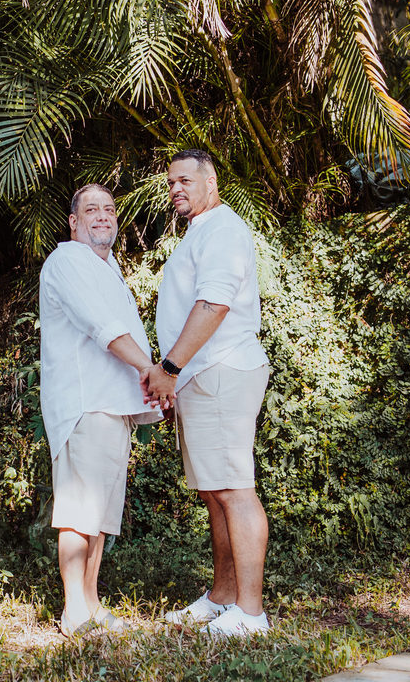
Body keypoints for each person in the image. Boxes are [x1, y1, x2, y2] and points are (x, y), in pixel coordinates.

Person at [141, 149, 272, 638]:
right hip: (202, 377)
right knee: (215, 492)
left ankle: (252, 614)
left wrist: (170, 368)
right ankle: (223, 598)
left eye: (185, 179)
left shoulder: (222, 230)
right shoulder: (201, 232)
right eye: (170, 182)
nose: (176, 188)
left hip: (221, 370)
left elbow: (214, 304)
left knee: (234, 490)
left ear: (211, 181)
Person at [39, 183, 161, 637]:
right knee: (79, 512)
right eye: (92, 210)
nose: (104, 216)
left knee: (101, 516)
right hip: (85, 403)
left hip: (112, 406)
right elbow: (102, 328)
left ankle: (90, 603)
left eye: (109, 209)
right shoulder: (67, 261)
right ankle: (74, 612)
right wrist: (153, 371)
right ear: (74, 222)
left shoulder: (106, 268)